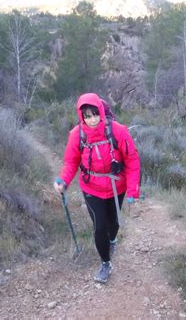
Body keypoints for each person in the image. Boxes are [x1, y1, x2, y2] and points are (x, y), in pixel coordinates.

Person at [54, 93, 140, 283]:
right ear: (81, 116)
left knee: (114, 223)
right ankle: (105, 264)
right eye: (87, 116)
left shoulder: (118, 131)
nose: (92, 120)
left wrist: (133, 190)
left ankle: (112, 241)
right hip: (91, 187)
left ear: (101, 112)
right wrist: (63, 181)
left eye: (95, 114)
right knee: (99, 226)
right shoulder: (77, 135)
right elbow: (71, 162)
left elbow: (132, 159)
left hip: (117, 185)